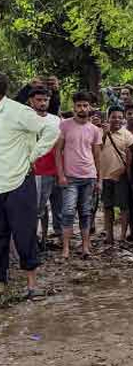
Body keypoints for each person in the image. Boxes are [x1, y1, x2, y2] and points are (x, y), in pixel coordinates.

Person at [0, 72, 59, 298]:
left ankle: (32, 286)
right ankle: (2, 284)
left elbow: (51, 129)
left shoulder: (18, 111)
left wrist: (33, 155)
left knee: (24, 233)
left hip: (18, 182)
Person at [55, 91, 102, 260]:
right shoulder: (65, 125)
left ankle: (85, 247)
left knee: (85, 212)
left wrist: (99, 179)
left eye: (85, 105)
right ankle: (66, 249)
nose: (82, 108)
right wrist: (61, 175)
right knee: (67, 212)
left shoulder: (95, 130)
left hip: (89, 176)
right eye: (79, 105)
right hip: (70, 177)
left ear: (90, 107)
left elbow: (97, 156)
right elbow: (57, 151)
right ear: (73, 107)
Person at [28, 87, 62, 249]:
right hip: (35, 169)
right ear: (31, 101)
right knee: (37, 207)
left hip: (55, 168)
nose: (42, 103)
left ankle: (45, 239)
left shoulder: (55, 120)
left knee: (54, 206)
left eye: (45, 100)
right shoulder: (25, 118)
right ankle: (33, 240)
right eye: (39, 100)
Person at [99, 105, 133, 245]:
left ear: (124, 119)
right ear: (108, 118)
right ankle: (109, 235)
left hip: (121, 176)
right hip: (105, 175)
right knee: (107, 207)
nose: (117, 120)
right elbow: (96, 148)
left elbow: (132, 158)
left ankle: (122, 235)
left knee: (123, 207)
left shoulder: (127, 135)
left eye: (120, 117)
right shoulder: (100, 132)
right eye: (114, 117)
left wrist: (121, 172)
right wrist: (104, 133)